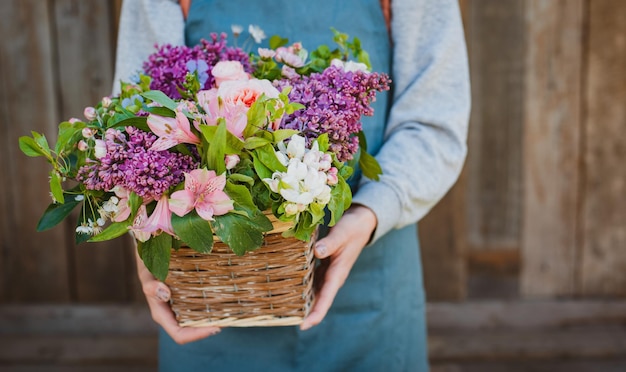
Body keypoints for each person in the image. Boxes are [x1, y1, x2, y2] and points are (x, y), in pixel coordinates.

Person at [114, 0, 470, 370]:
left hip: (367, 290)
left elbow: (433, 122)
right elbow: (134, 115)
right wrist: (145, 231)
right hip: (211, 291)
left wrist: (373, 210)